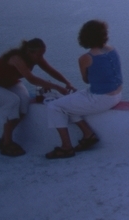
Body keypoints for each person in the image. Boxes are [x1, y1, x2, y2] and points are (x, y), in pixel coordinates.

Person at [0, 38, 75, 157]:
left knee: (24, 103)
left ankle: (4, 138)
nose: (41, 57)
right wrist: (56, 87)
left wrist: (67, 82)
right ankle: (7, 143)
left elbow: (50, 71)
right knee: (13, 101)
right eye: (39, 54)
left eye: (42, 54)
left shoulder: (35, 58)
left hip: (10, 83)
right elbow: (31, 79)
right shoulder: (16, 58)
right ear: (29, 52)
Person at [44, 19, 123, 159]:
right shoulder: (112, 50)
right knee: (68, 102)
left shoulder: (85, 58)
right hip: (117, 95)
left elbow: (86, 80)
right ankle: (88, 135)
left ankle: (66, 147)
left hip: (100, 98)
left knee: (54, 107)